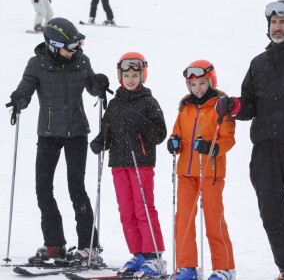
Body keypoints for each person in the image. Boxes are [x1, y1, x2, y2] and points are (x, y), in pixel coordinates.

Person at [9, 17, 111, 263]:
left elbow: (93, 89)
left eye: (78, 44)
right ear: (54, 45)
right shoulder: (36, 64)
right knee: (43, 189)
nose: (77, 50)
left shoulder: (81, 61)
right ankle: (54, 244)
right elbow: (26, 88)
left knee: (76, 188)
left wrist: (99, 83)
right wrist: (19, 98)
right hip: (48, 134)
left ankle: (88, 246)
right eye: (71, 46)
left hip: (76, 133)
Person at [215, 0, 284, 280]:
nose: (278, 28)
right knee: (272, 217)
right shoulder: (259, 63)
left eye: (283, 22)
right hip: (265, 152)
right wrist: (233, 106)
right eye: (274, 23)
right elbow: (249, 105)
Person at [90, 52, 167, 277]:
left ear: (143, 75)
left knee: (144, 209)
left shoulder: (149, 102)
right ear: (120, 76)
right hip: (118, 164)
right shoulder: (114, 104)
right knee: (126, 211)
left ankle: (154, 255)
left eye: (135, 74)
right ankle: (138, 253)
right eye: (126, 75)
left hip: (140, 162)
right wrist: (100, 141)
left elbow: (159, 134)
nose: (131, 79)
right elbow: (108, 129)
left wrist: (142, 122)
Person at [167, 60, 236, 280]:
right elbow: (176, 132)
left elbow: (228, 139)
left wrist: (212, 148)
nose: (197, 89)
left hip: (210, 172)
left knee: (214, 220)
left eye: (202, 83)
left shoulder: (221, 107)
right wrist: (174, 142)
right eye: (193, 84)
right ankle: (186, 267)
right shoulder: (185, 107)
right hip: (186, 173)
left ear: (211, 81)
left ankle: (224, 268)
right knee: (184, 221)